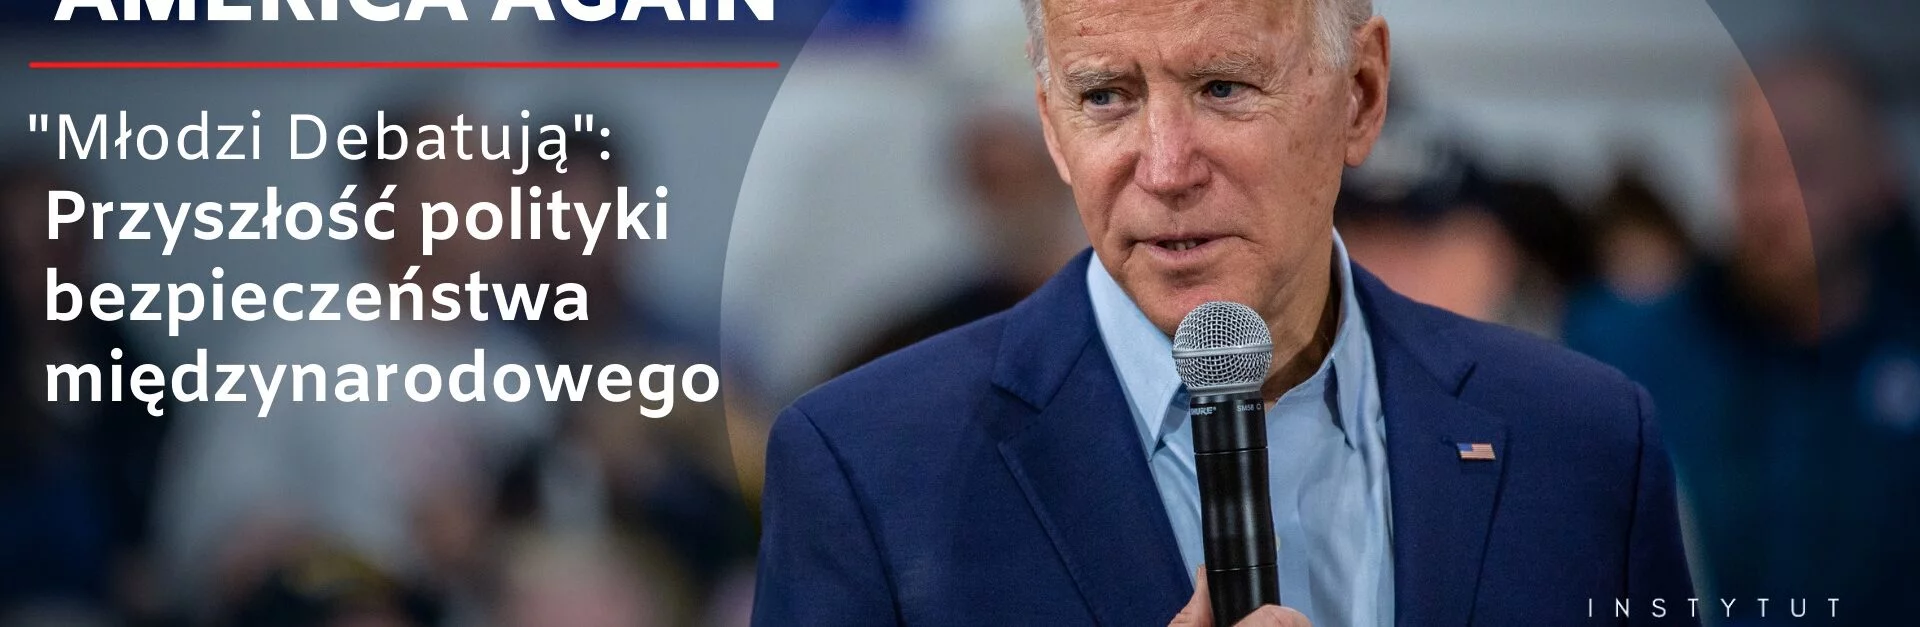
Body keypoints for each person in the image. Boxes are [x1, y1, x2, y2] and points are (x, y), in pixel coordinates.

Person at [754, 0, 1694, 625]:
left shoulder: (1586, 443)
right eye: (1106, 96)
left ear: (1362, 96)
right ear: (1051, 125)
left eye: (1223, 88)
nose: (1166, 168)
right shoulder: (866, 472)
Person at [1565, 47, 1920, 621]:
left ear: (1880, 178)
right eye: (1752, 165)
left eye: (1806, 166)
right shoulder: (1624, 353)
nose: (1774, 201)